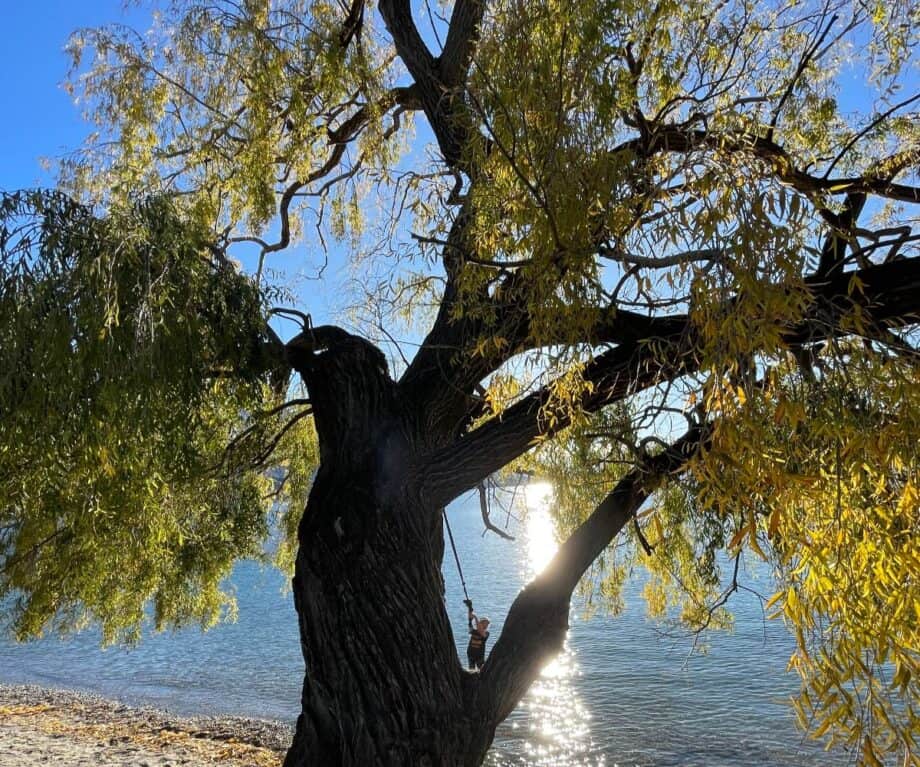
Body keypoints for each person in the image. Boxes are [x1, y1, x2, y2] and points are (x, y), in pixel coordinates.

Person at [464, 599, 490, 671]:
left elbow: (481, 631)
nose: (486, 625)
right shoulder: (473, 631)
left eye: (487, 624)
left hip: (480, 657)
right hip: (471, 654)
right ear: (481, 623)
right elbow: (469, 619)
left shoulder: (486, 633)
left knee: (482, 672)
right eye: (485, 623)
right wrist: (470, 607)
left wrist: (475, 617)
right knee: (471, 670)